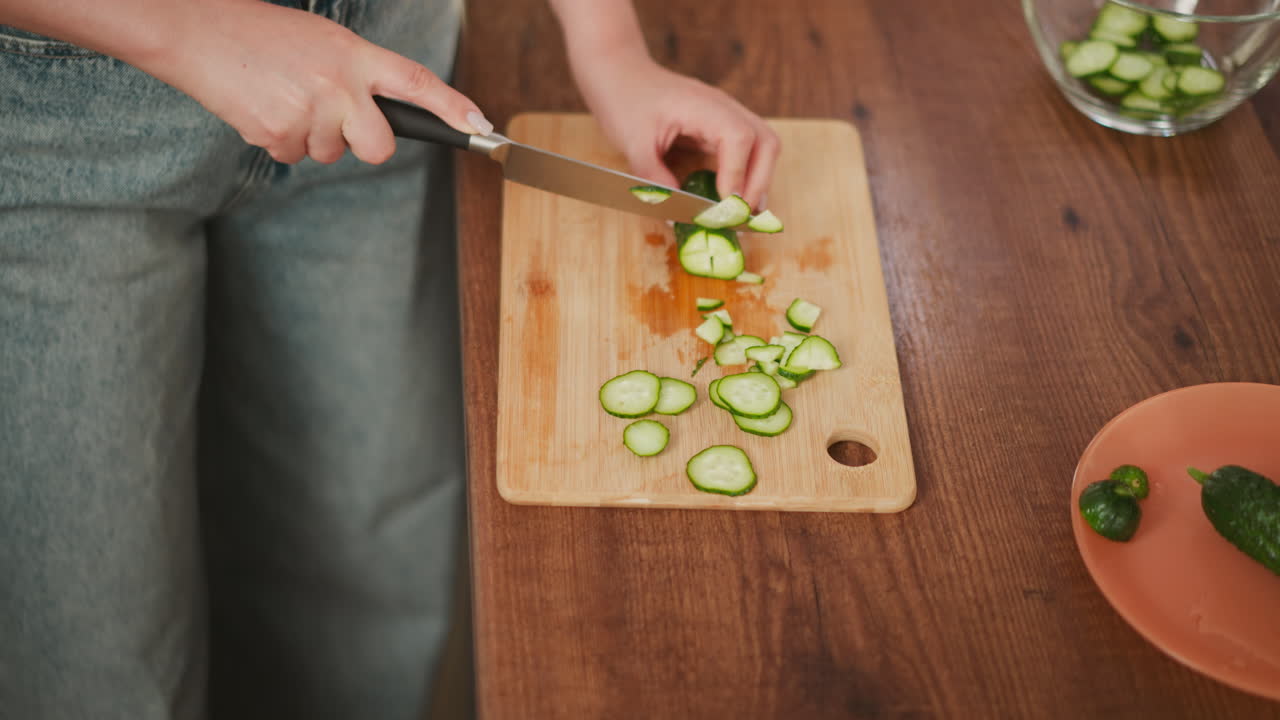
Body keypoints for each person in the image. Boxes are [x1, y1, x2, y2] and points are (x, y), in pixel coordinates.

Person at [0, 0, 779, 718]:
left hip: (381, 83)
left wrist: (610, 46)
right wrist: (189, 28)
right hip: (56, 126)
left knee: (369, 597)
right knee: (99, 665)